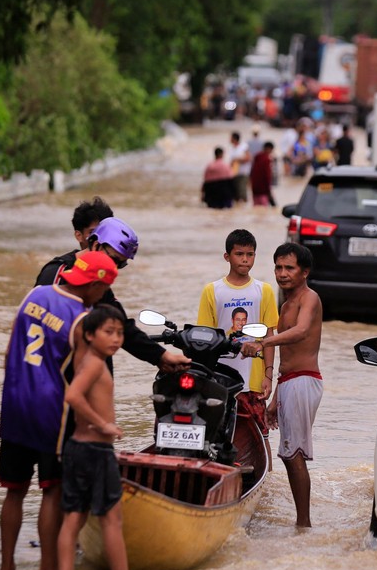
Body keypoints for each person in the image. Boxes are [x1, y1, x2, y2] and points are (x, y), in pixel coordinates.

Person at [0, 251, 118, 570]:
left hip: (14, 404)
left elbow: (10, 351)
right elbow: (82, 380)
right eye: (104, 290)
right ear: (94, 284)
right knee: (52, 493)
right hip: (52, 413)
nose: (103, 297)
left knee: (14, 491)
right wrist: (100, 424)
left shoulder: (34, 294)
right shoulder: (82, 320)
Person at [35, 216, 190, 374]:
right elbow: (35, 330)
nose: (114, 269)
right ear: (96, 245)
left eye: (120, 265)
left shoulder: (100, 285)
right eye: (114, 260)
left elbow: (122, 327)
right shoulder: (56, 274)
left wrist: (161, 356)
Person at [241, 243, 322, 527]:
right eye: (278, 267)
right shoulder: (286, 304)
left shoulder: (309, 298)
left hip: (304, 381)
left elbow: (300, 333)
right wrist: (276, 396)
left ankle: (304, 525)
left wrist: (262, 342)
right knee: (288, 455)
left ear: (305, 272)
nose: (282, 273)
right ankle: (302, 523)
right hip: (289, 382)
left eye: (290, 268)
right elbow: (287, 356)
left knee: (294, 454)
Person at [56, 305, 133, 570]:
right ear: (89, 335)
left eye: (120, 333)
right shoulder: (95, 363)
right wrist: (103, 424)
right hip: (96, 451)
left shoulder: (87, 359)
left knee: (74, 516)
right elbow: (72, 395)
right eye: (108, 332)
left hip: (77, 449)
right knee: (111, 520)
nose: (116, 339)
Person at [199, 229, 279, 469]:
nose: (245, 259)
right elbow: (205, 336)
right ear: (227, 257)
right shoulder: (212, 291)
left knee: (261, 435)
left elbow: (269, 335)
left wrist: (268, 375)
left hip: (253, 380)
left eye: (250, 254)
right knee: (215, 433)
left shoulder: (263, 291)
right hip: (220, 378)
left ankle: (267, 482)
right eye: (239, 254)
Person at [35, 197, 114, 285]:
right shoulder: (57, 271)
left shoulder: (102, 273)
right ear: (79, 236)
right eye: (93, 232)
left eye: (105, 232)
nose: (101, 239)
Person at [249, 142, 275, 207]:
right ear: (268, 149)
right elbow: (267, 175)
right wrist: (268, 189)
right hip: (263, 190)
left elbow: (252, 172)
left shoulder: (257, 156)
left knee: (256, 208)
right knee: (264, 209)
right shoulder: (267, 159)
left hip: (255, 188)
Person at [228, 131, 250, 205]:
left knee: (242, 192)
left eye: (230, 138)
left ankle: (245, 208)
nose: (229, 139)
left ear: (234, 139)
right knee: (236, 194)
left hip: (243, 173)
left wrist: (237, 160)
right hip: (234, 173)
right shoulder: (232, 148)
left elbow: (248, 158)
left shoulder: (244, 146)